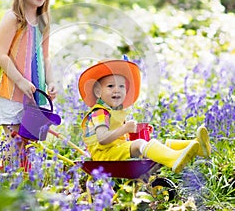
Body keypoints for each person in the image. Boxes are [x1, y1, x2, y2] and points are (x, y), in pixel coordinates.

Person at [78, 59, 211, 173]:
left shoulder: (115, 111)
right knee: (140, 144)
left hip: (115, 150)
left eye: (121, 86)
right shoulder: (99, 112)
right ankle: (173, 159)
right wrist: (125, 129)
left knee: (152, 143)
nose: (117, 89)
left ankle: (197, 146)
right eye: (110, 86)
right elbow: (102, 138)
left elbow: (120, 136)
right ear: (97, 91)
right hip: (104, 155)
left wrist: (136, 130)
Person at [0, 0, 57, 166]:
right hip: (9, 89)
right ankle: (5, 183)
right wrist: (21, 81)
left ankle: (22, 185)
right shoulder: (13, 18)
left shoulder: (43, 20)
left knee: (28, 144)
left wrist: (50, 82)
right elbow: (0, 54)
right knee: (14, 142)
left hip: (32, 92)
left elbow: (45, 57)